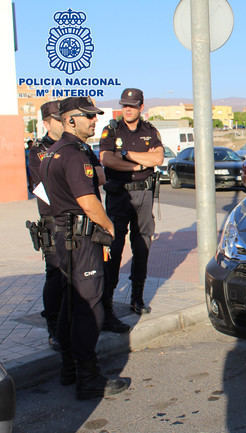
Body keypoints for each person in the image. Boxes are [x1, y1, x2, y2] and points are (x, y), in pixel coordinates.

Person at [40, 96, 128, 400]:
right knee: (88, 308)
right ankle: (89, 379)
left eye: (95, 116)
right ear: (69, 120)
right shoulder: (75, 154)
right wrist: (109, 226)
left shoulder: (53, 152)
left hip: (63, 239)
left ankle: (69, 368)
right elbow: (88, 202)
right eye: (88, 116)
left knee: (68, 304)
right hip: (80, 240)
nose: (94, 120)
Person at [99, 88, 163, 330]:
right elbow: (107, 159)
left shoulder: (150, 130)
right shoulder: (112, 129)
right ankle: (107, 302)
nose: (128, 109)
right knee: (114, 246)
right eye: (124, 104)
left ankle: (137, 297)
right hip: (119, 194)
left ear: (141, 107)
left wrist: (125, 155)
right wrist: (139, 162)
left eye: (132, 105)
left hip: (144, 194)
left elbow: (157, 159)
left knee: (142, 245)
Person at [27, 101, 65, 351]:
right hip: (53, 220)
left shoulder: (75, 146)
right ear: (47, 122)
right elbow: (41, 188)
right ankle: (54, 327)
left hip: (76, 219)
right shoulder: (38, 151)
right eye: (58, 119)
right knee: (55, 275)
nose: (63, 122)